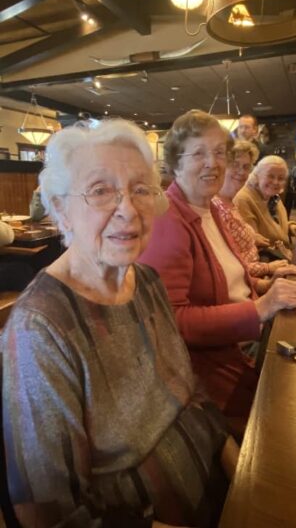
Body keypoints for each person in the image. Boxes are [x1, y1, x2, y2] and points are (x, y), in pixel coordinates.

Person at [2, 118, 238, 528]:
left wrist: (245, 479)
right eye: (100, 190)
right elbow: (52, 516)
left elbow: (192, 398)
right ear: (61, 209)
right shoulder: (41, 329)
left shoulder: (146, 281)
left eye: (140, 189)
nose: (127, 208)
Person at [138, 110, 296, 435]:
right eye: (199, 153)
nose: (213, 163)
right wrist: (260, 308)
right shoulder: (168, 221)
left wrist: (268, 283)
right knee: (295, 418)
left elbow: (224, 280)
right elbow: (172, 322)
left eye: (218, 153)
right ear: (175, 163)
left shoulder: (212, 207)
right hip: (210, 370)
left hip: (243, 340)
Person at [214, 140, 296, 293]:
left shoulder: (268, 199)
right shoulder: (227, 205)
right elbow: (228, 267)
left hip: (256, 278)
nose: (241, 171)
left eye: (246, 167)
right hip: (250, 282)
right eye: (235, 165)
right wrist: (268, 271)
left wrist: (291, 226)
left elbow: (268, 229)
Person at [234, 155, 296, 259]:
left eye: (281, 178)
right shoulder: (243, 199)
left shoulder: (273, 197)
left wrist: (291, 228)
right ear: (256, 176)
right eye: (270, 176)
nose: (276, 182)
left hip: (283, 257)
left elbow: (272, 226)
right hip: (266, 264)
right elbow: (253, 244)